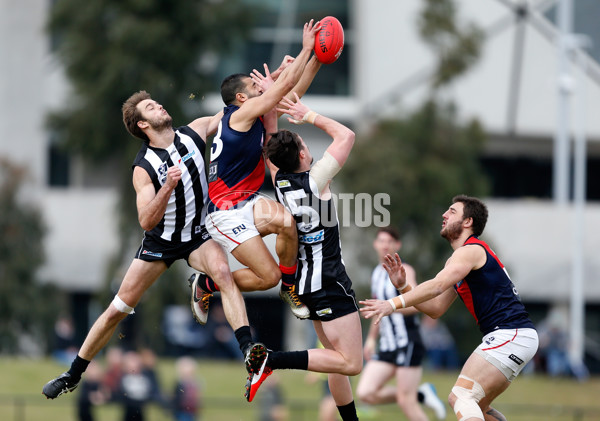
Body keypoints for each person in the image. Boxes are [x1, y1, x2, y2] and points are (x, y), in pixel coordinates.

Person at [42, 90, 262, 399]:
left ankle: (249, 352)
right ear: (143, 124)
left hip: (197, 235)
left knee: (224, 273)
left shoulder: (194, 131)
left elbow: (232, 114)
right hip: (161, 242)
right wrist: (168, 186)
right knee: (117, 310)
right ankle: (73, 374)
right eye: (150, 107)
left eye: (156, 102)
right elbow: (146, 220)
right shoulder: (144, 167)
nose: (159, 105)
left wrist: (265, 87)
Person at [360, 195, 539, 421]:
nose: (444, 215)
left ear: (468, 222)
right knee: (478, 408)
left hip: (510, 333)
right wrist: (404, 286)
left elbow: (436, 286)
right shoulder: (460, 260)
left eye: (452, 212)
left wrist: (391, 304)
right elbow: (435, 308)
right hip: (513, 336)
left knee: (460, 396)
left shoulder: (470, 250)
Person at [202, 19, 322, 332]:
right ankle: (206, 283)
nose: (262, 88)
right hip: (224, 213)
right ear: (241, 98)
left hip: (247, 202)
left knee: (287, 223)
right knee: (266, 277)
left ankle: (289, 286)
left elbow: (291, 95)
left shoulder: (252, 116)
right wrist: (307, 47)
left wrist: (320, 58)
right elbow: (279, 90)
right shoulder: (239, 117)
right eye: (255, 88)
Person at [248, 96, 362, 421]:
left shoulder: (281, 182)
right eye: (303, 144)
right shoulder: (315, 178)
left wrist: (271, 99)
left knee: (334, 360)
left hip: (306, 285)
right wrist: (306, 114)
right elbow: (347, 136)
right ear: (301, 153)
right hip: (330, 282)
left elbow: (271, 144)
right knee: (351, 363)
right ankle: (271, 359)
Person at [356, 227, 446, 420]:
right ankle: (421, 394)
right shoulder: (375, 274)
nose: (385, 245)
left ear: (397, 245)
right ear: (375, 244)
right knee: (365, 393)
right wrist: (371, 340)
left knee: (406, 401)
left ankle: (414, 396)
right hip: (387, 344)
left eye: (389, 241)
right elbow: (377, 310)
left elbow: (417, 304)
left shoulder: (407, 270)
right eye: (381, 241)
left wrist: (391, 306)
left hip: (408, 342)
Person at [172, 356, 202, 421]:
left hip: (192, 411)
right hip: (181, 411)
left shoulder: (195, 383)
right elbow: (176, 398)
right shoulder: (180, 384)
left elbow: (197, 398)